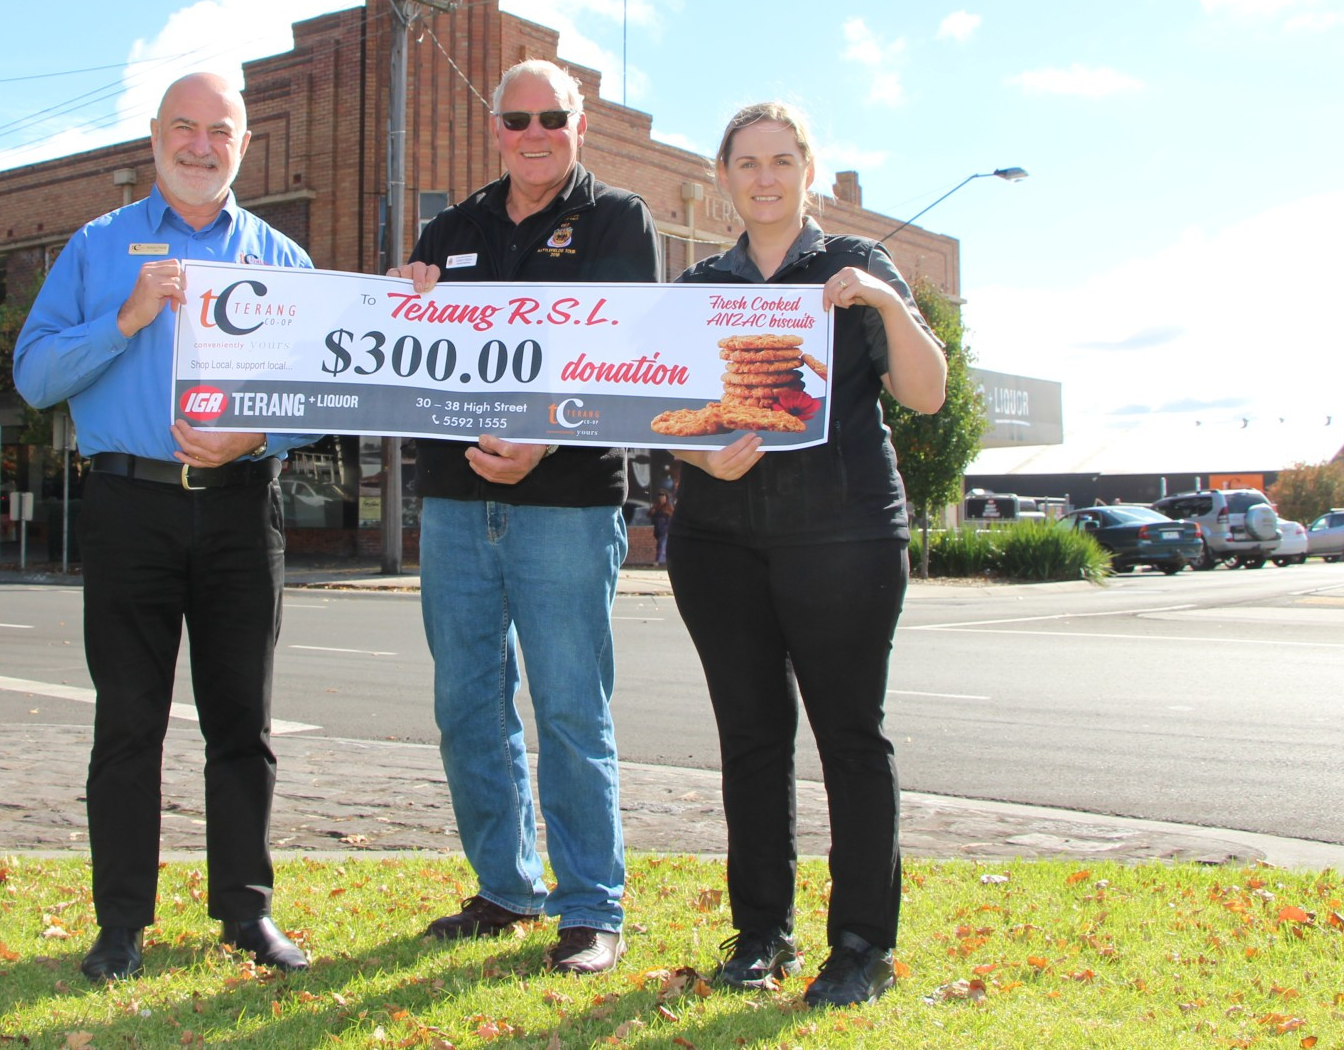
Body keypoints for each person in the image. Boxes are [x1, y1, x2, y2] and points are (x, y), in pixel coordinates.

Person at [14, 72, 317, 981]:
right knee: (129, 722)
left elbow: (321, 389)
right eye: (183, 127)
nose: (199, 145)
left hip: (239, 508)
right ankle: (120, 925)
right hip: (127, 506)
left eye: (218, 130)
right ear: (153, 138)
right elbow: (33, 374)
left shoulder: (282, 258)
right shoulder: (97, 247)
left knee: (242, 722)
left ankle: (245, 914)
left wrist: (255, 434)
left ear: (243, 144)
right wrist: (125, 318)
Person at [664, 101, 944, 1008]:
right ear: (723, 179)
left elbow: (926, 393)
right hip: (718, 542)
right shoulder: (701, 285)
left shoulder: (857, 269)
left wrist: (889, 303)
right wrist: (695, 449)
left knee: (850, 739)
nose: (765, 177)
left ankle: (862, 942)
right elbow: (660, 407)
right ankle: (760, 934)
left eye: (781, 160)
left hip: (846, 536)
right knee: (750, 738)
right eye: (746, 162)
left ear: (808, 170)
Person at [388, 59, 661, 974]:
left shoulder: (620, 219)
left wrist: (542, 437)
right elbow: (413, 355)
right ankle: (505, 888)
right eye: (516, 118)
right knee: (467, 703)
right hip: (458, 506)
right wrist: (405, 296)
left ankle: (590, 907)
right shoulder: (450, 227)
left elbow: (622, 352)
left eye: (552, 116)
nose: (534, 132)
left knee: (569, 707)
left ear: (579, 122)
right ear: (493, 126)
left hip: (567, 506)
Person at [649, 485, 674, 564]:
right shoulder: (656, 506)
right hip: (658, 529)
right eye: (660, 496)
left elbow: (672, 516)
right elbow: (649, 514)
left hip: (665, 529)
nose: (661, 498)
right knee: (662, 544)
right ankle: (663, 560)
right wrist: (652, 512)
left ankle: (658, 560)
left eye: (663, 496)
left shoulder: (668, 507)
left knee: (661, 544)